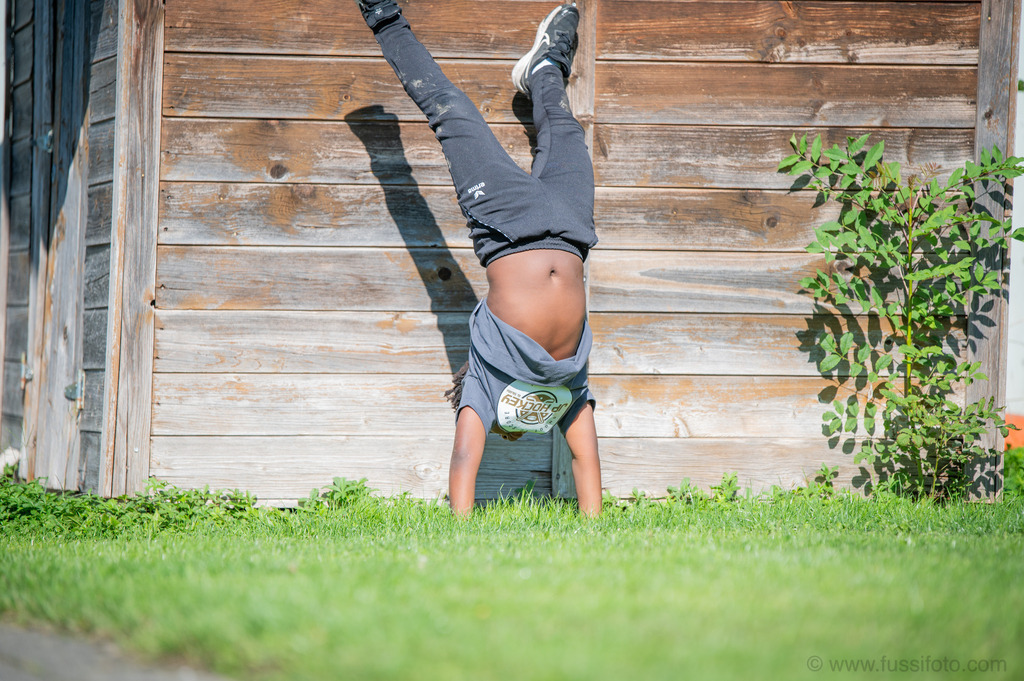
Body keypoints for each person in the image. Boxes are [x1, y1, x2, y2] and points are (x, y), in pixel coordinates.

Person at [356, 1, 602, 516]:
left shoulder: (486, 377)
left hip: (507, 227)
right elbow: (586, 460)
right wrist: (593, 525)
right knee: (565, 127)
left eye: (508, 428)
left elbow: (466, 454)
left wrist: (460, 528)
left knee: (452, 112)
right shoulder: (568, 382)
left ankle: (383, 16)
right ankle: (544, 69)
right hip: (573, 229)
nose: (515, 427)